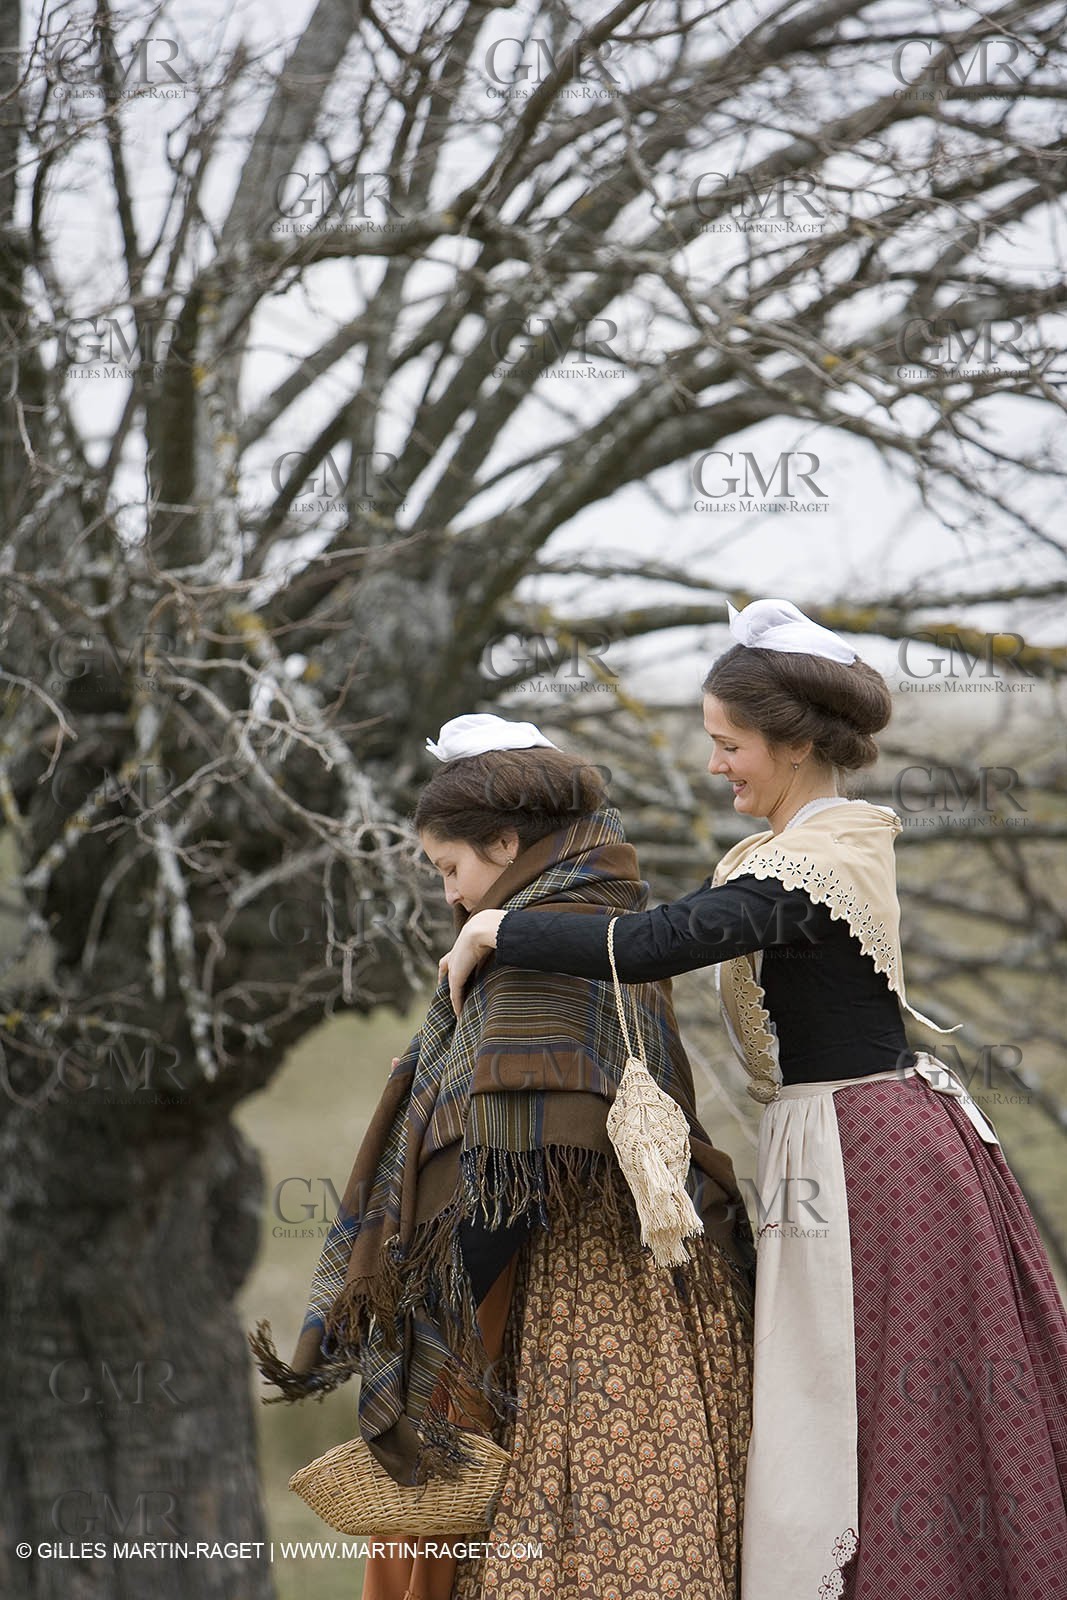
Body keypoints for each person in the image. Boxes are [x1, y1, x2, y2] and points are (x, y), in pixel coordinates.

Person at [441, 604, 1067, 1600]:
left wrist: (496, 931)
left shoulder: (814, 861)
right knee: (855, 1394)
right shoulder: (799, 847)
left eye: (728, 745)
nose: (714, 765)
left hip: (866, 1150)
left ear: (795, 744)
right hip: (853, 1136)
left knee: (870, 1399)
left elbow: (659, 943)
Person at [251, 713, 754, 1600]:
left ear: (506, 844)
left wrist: (421, 1332)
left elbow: (507, 1184)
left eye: (451, 868)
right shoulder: (604, 920)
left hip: (569, 1316)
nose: (450, 895)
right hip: (665, 1306)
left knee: (569, 1556)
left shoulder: (534, 953)